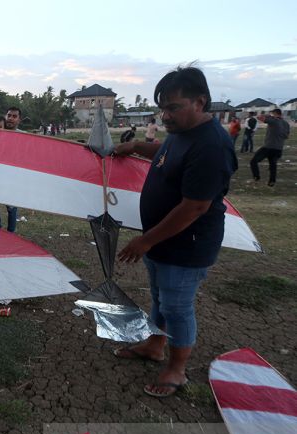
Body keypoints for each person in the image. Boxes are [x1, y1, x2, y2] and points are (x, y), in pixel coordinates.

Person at [113, 66, 237, 398]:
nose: (165, 116)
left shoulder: (212, 146)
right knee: (160, 299)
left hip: (186, 245)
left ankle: (177, 369)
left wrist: (145, 240)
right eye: (162, 108)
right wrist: (137, 146)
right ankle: (155, 346)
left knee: (178, 307)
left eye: (173, 107)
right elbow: (167, 155)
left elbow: (194, 207)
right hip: (163, 240)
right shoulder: (183, 133)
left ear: (200, 101)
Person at [0, 108, 21, 232]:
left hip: (12, 177)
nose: (11, 118)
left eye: (14, 116)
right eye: (9, 115)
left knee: (11, 206)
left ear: (19, 119)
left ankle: (11, 233)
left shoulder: (23, 136)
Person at [249, 108, 290, 187]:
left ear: (275, 113)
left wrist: (267, 115)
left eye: (272, 113)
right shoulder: (286, 123)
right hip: (278, 148)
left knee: (253, 161)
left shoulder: (274, 120)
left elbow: (259, 117)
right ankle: (272, 182)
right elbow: (287, 136)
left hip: (268, 146)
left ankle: (256, 176)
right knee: (273, 165)